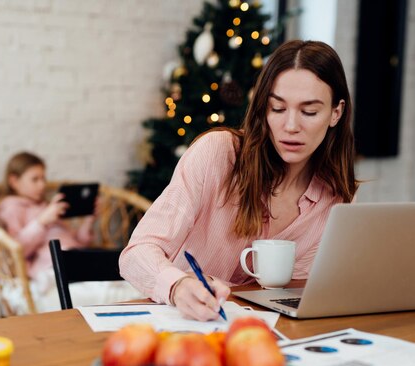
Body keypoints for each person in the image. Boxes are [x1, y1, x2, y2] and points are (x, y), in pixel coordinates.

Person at [119, 40, 359, 321]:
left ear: (336, 113)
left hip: (260, 335)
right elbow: (136, 254)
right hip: (179, 323)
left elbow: (297, 294)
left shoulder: (334, 200)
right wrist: (177, 286)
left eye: (309, 111)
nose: (291, 126)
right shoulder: (217, 154)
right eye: (277, 109)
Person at [0, 151, 96, 294]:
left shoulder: (45, 206)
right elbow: (16, 250)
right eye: (35, 179)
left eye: (43, 178)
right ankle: (51, 278)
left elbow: (78, 241)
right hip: (51, 261)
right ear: (14, 181)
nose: (42, 185)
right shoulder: (11, 207)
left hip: (75, 253)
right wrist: (41, 222)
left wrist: (89, 219)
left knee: (104, 261)